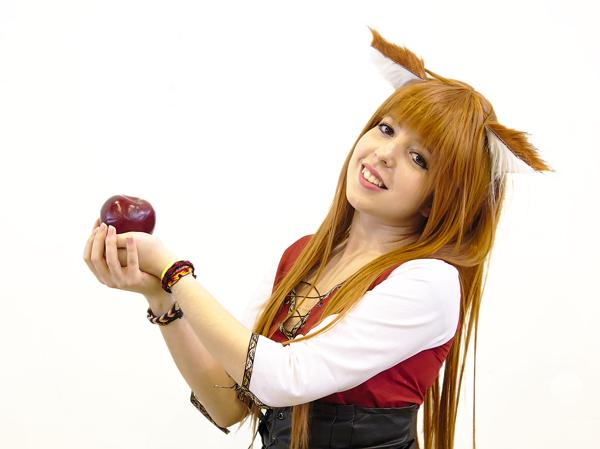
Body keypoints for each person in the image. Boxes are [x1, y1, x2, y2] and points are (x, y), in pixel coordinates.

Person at [83, 27, 553, 449]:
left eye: (419, 159)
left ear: (439, 199)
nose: (385, 153)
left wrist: (175, 271)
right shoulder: (302, 255)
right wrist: (160, 295)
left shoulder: (429, 282)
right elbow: (229, 404)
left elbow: (284, 378)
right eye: (386, 129)